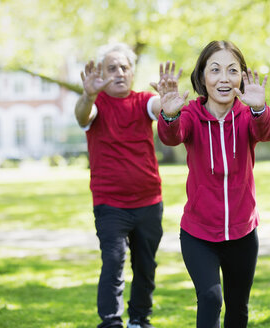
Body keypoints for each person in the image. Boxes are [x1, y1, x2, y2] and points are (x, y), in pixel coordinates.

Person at [154, 40, 270, 328]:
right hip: (199, 232)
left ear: (242, 78)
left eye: (232, 71)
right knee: (210, 298)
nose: (224, 78)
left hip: (242, 232)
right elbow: (172, 136)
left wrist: (260, 109)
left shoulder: (248, 115)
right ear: (202, 77)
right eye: (215, 70)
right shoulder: (190, 116)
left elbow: (268, 131)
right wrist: (169, 114)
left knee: (238, 309)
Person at [75, 42, 169, 328]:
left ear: (132, 72)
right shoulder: (96, 104)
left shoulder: (143, 101)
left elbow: (159, 107)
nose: (118, 73)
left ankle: (140, 318)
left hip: (148, 201)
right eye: (111, 68)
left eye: (124, 68)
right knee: (113, 262)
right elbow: (82, 116)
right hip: (110, 204)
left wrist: (167, 98)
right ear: (101, 73)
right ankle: (111, 321)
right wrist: (88, 94)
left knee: (145, 266)